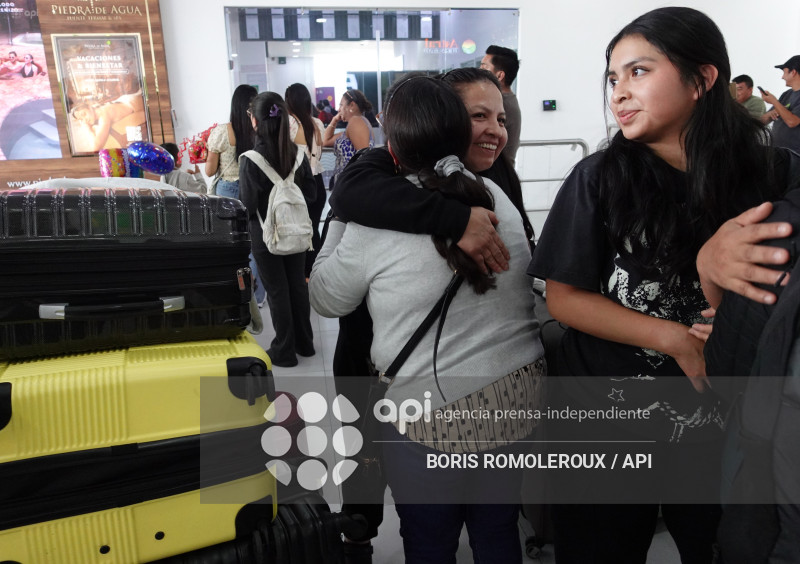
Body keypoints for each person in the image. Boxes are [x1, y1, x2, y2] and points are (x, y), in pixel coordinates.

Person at [527, 7, 792, 563]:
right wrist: (674, 338)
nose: (619, 93)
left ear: (702, 79)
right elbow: (564, 297)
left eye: (639, 72)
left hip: (722, 425)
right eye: (613, 78)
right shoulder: (598, 178)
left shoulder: (774, 176)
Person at [310, 75, 544, 564]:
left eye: (499, 118)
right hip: (517, 395)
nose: (494, 130)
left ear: (392, 139)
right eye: (479, 116)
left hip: (429, 410)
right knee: (498, 529)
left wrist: (338, 221)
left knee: (430, 539)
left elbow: (327, 298)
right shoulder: (495, 196)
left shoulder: (371, 218)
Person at [239, 91, 317, 368]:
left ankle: (284, 350)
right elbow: (311, 194)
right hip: (296, 232)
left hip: (265, 235)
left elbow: (247, 204)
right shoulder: (297, 154)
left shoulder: (251, 159)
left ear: (256, 121)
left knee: (277, 292)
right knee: (297, 286)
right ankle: (305, 343)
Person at [205, 84, 267, 306]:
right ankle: (257, 297)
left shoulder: (222, 132)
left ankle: (236, 293)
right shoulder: (259, 130)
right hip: (253, 189)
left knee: (232, 245)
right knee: (254, 243)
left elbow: (210, 171)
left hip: (227, 194)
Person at [285, 83, 327, 278]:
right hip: (317, 184)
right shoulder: (317, 123)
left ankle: (301, 273)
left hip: (299, 183)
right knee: (313, 230)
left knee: (300, 230)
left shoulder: (289, 123)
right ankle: (314, 272)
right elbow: (320, 148)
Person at [322, 89, 374, 189]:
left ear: (352, 106)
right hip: (348, 185)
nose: (338, 109)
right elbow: (326, 141)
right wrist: (334, 120)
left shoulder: (355, 122)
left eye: (341, 105)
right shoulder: (355, 124)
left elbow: (364, 158)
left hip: (351, 186)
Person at [481, 45, 522, 166]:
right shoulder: (505, 100)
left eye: (484, 67)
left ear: (499, 76)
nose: (479, 71)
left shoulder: (501, 104)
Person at [70, 91, 145, 153]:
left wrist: (87, 128)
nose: (85, 120)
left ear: (89, 107)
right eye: (81, 119)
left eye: (84, 114)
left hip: (136, 102)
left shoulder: (104, 115)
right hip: (128, 100)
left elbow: (96, 147)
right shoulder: (99, 109)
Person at [760, 55, 800, 153]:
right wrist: (773, 112)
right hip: (778, 153)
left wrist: (774, 101)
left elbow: (792, 122)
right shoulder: (786, 94)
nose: (782, 77)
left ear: (793, 72)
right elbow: (762, 121)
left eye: (784, 72)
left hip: (794, 156)